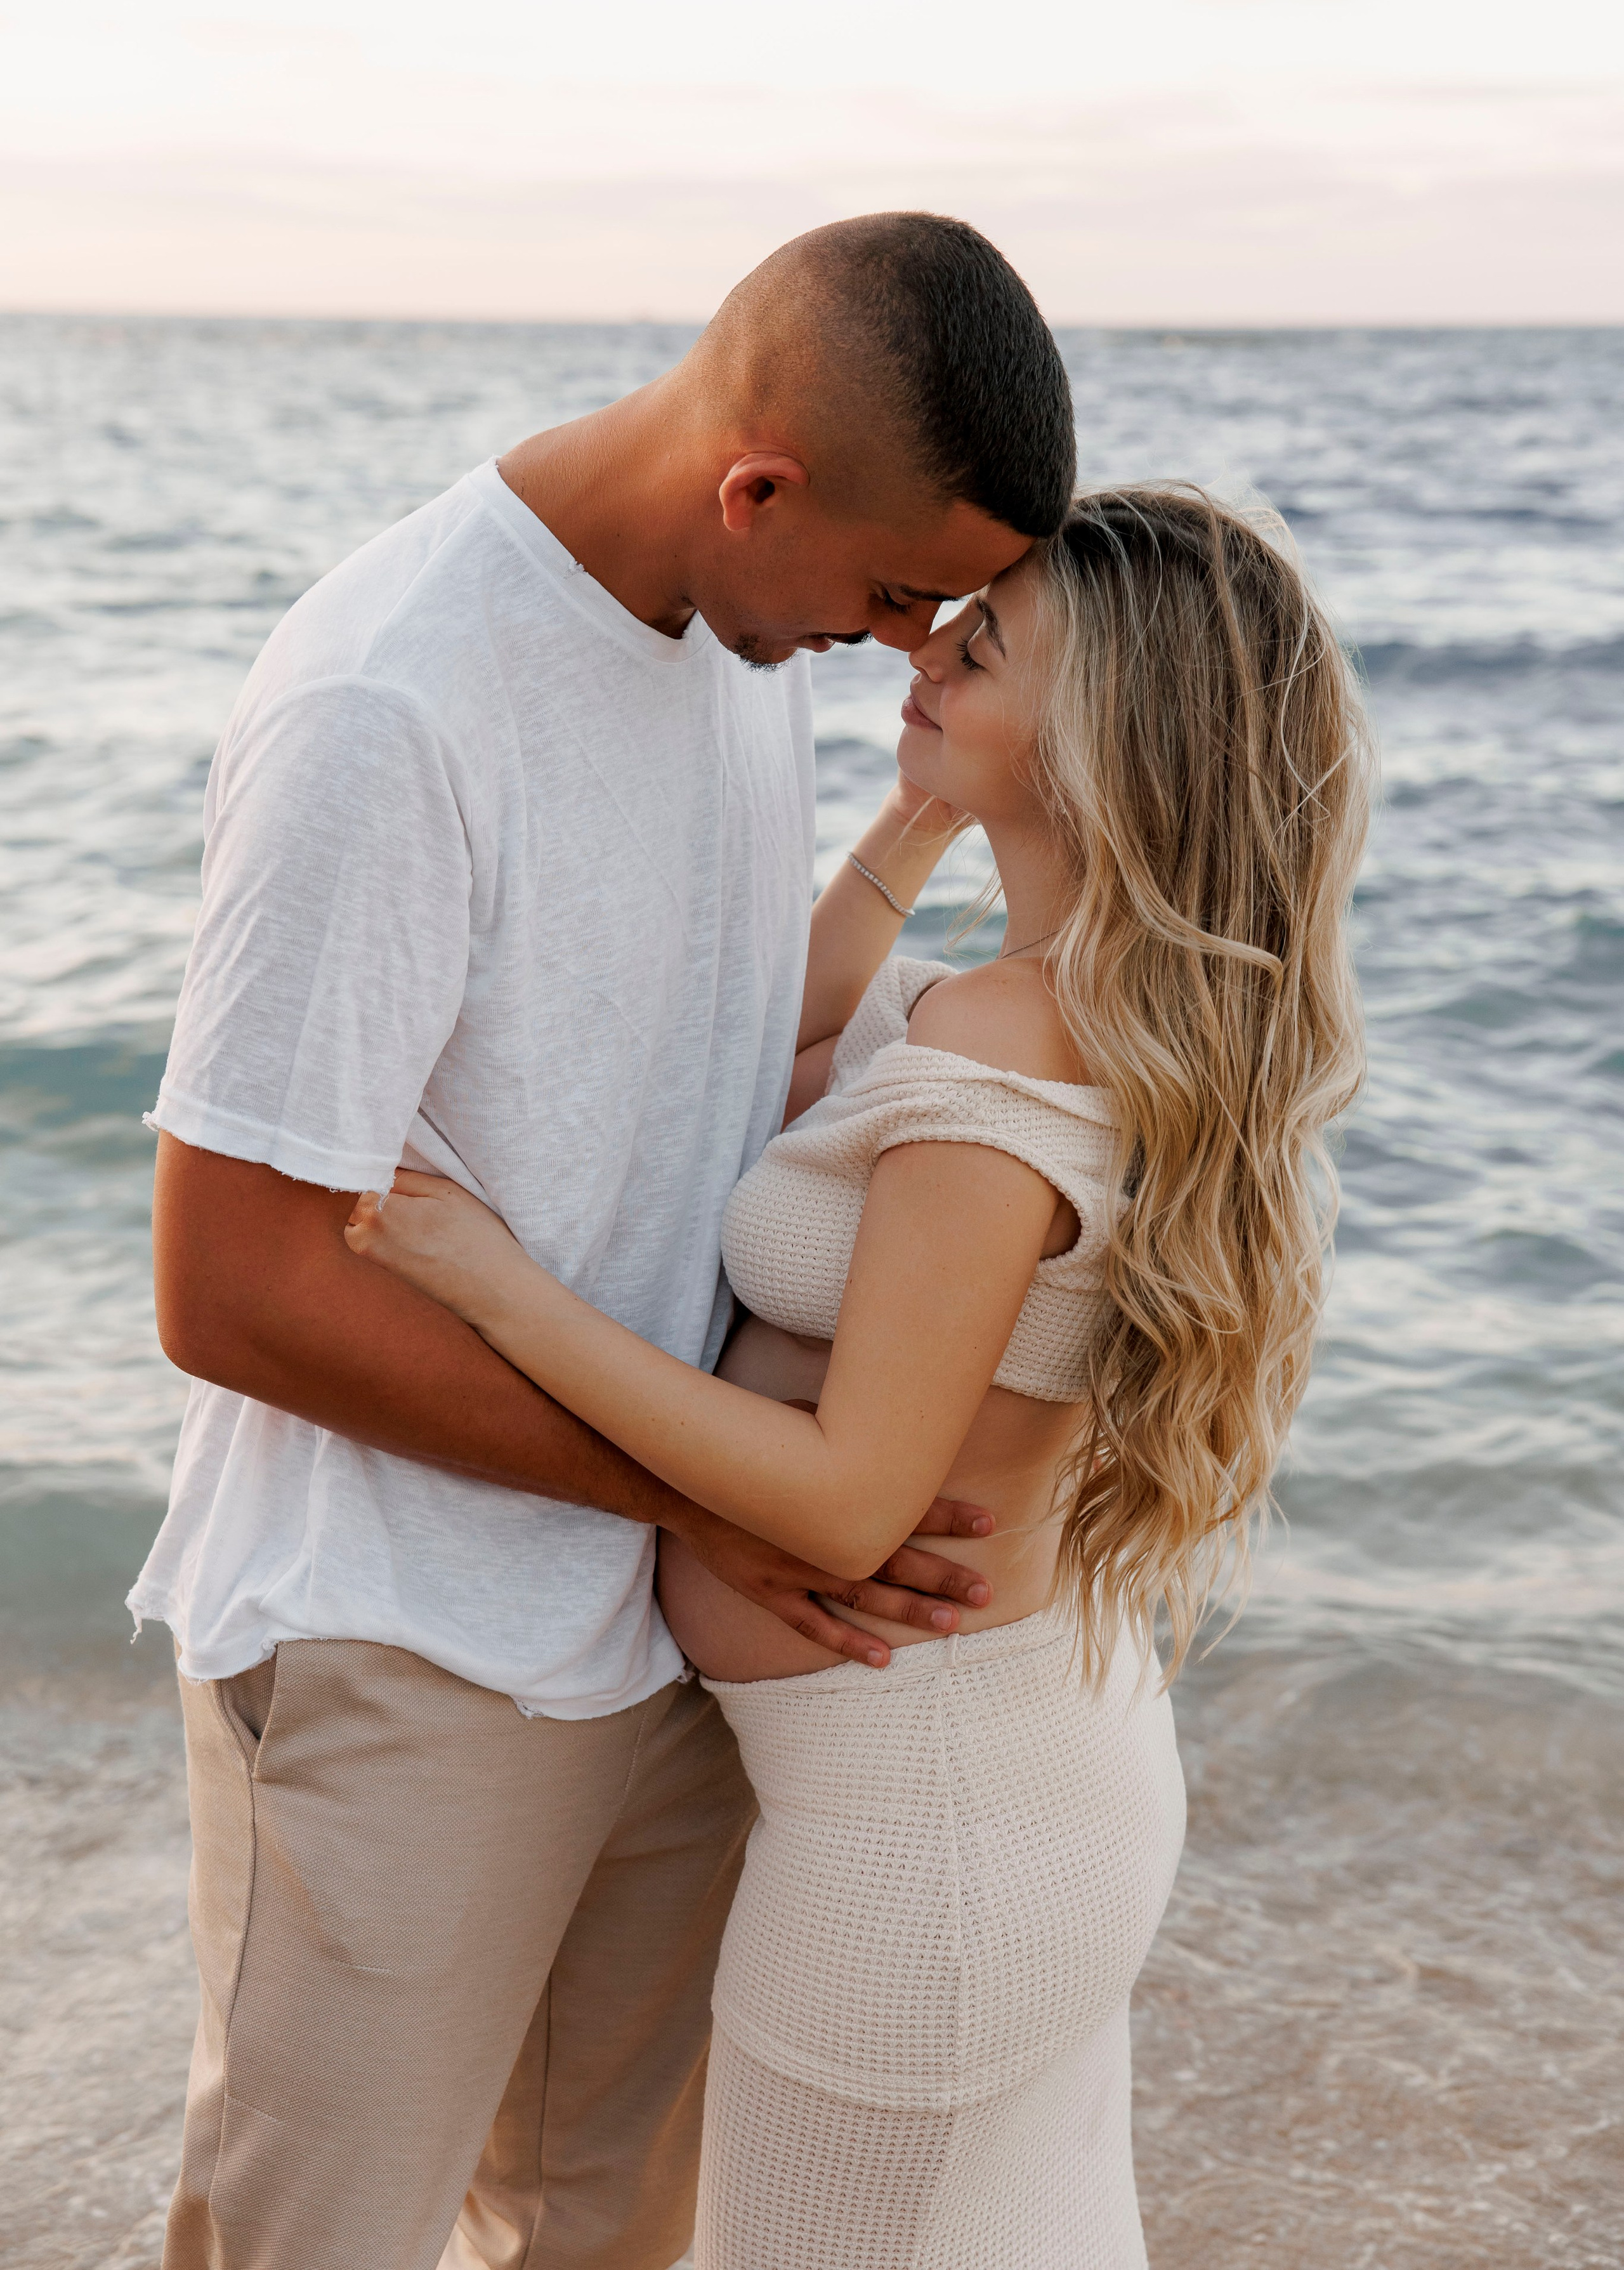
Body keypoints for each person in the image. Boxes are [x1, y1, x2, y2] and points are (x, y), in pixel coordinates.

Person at [132, 213, 1080, 2270]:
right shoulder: (396, 701)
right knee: (316, 2241)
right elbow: (229, 1288)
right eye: (901, 591)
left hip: (665, 1627)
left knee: (599, 2236)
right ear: (761, 484)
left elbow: (717, 1044)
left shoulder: (746, 644)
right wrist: (706, 1501)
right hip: (413, 1632)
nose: (909, 639)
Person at [348, 485, 1374, 2269]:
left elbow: (845, 1498)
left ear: (1104, 747)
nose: (920, 651)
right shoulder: (1063, 1003)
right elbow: (802, 1032)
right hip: (1018, 1772)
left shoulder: (1008, 1045)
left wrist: (496, 1290)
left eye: (979, 654)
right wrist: (918, 805)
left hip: (928, 1842)